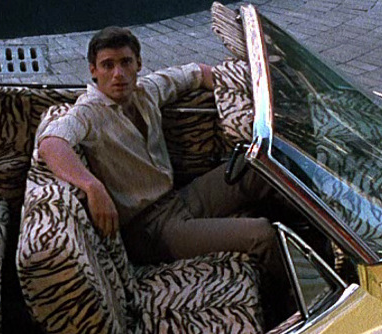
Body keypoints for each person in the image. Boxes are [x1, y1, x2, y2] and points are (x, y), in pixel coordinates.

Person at [37, 26, 275, 267]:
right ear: (93, 71)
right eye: (108, 65)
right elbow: (51, 143)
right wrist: (92, 186)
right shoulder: (88, 111)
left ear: (138, 64)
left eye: (126, 62)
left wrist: (241, 97)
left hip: (179, 198)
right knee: (261, 234)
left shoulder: (146, 90)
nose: (118, 74)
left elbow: (197, 72)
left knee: (263, 164)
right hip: (150, 230)